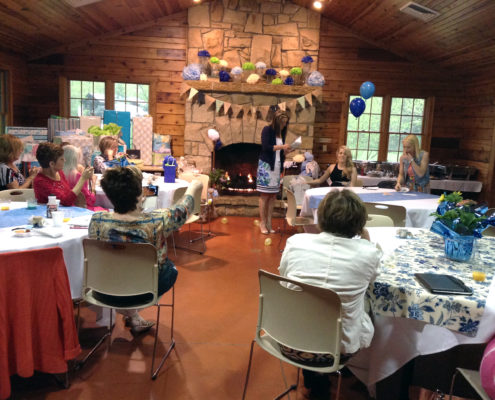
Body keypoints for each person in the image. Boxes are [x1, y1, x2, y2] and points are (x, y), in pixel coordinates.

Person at [278, 189, 381, 395]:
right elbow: (372, 281)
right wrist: (366, 241)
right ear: (359, 223)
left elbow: (283, 277)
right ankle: (362, 372)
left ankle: (313, 375)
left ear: (321, 217)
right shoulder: (368, 253)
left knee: (310, 302)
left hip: (290, 340)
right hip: (338, 349)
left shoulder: (296, 243)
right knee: (367, 302)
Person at [88, 166, 201, 334]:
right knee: (170, 269)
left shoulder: (97, 220)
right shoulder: (158, 220)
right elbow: (185, 208)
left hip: (104, 291)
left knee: (122, 270)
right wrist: (193, 186)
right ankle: (132, 313)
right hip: (144, 292)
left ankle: (132, 316)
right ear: (140, 195)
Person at [256, 110, 291, 234]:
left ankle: (269, 223)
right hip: (266, 167)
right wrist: (282, 147)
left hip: (276, 167)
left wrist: (285, 152)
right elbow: (266, 147)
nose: (284, 125)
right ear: (276, 121)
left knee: (272, 197)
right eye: (282, 123)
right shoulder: (267, 130)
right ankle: (262, 223)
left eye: (285, 123)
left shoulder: (282, 134)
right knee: (265, 196)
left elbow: (279, 152)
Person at [63, 145, 103, 211]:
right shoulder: (77, 176)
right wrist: (93, 185)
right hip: (80, 209)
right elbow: (90, 201)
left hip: (65, 208)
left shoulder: (58, 174)